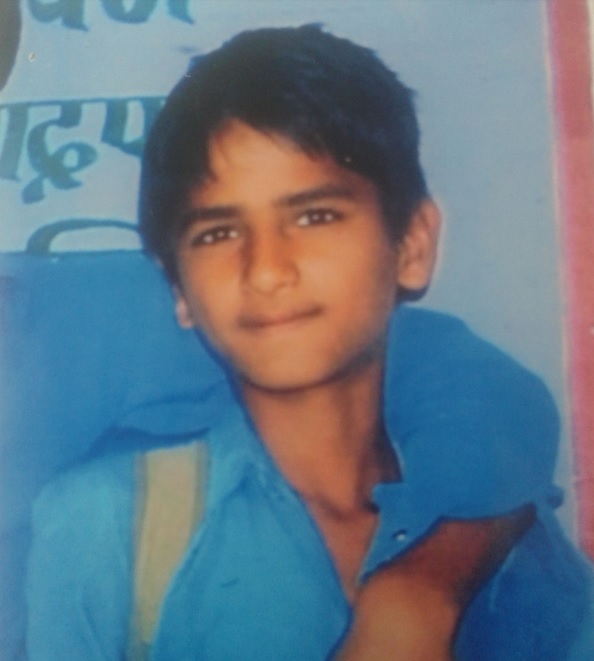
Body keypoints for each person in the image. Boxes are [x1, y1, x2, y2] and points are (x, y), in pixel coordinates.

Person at [26, 25, 593, 660]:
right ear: (178, 288)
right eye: (217, 233)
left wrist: (422, 590)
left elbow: (495, 391)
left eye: (315, 216)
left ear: (412, 245)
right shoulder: (109, 524)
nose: (266, 270)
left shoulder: (517, 549)